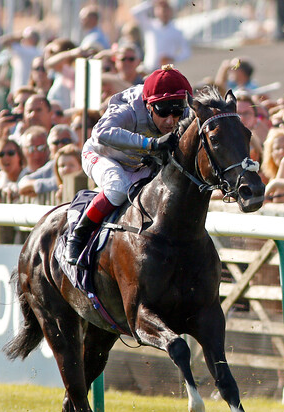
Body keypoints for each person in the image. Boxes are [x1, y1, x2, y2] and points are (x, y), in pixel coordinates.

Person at [65, 65, 192, 266]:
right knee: (117, 189)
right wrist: (150, 144)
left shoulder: (185, 113)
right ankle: (78, 236)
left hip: (139, 164)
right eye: (164, 112)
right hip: (102, 155)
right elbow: (101, 133)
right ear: (149, 105)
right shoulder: (129, 108)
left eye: (176, 112)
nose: (170, 120)